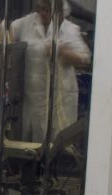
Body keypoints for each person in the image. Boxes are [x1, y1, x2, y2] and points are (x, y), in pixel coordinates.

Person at [9, 0, 91, 143]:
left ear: (58, 12)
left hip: (59, 100)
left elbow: (84, 58)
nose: (42, 13)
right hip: (33, 99)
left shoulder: (68, 29)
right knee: (31, 142)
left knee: (57, 142)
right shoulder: (27, 23)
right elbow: (6, 27)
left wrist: (62, 52)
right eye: (39, 8)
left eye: (46, 10)